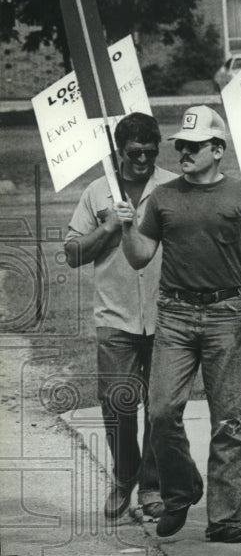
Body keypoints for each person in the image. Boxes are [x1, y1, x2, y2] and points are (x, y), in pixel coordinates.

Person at [116, 105, 241, 544]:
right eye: (181, 145)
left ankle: (224, 519)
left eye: (193, 146)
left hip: (227, 313)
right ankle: (183, 487)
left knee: (227, 421)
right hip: (174, 314)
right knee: (162, 411)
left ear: (218, 149)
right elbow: (139, 257)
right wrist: (127, 228)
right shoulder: (163, 197)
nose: (183, 152)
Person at [64, 112, 177, 520]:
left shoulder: (173, 188)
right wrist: (111, 225)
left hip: (169, 314)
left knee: (162, 408)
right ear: (119, 151)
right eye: (135, 152)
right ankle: (124, 474)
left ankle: (152, 486)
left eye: (151, 150)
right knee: (117, 404)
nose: (144, 159)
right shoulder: (97, 192)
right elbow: (73, 254)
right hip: (116, 316)